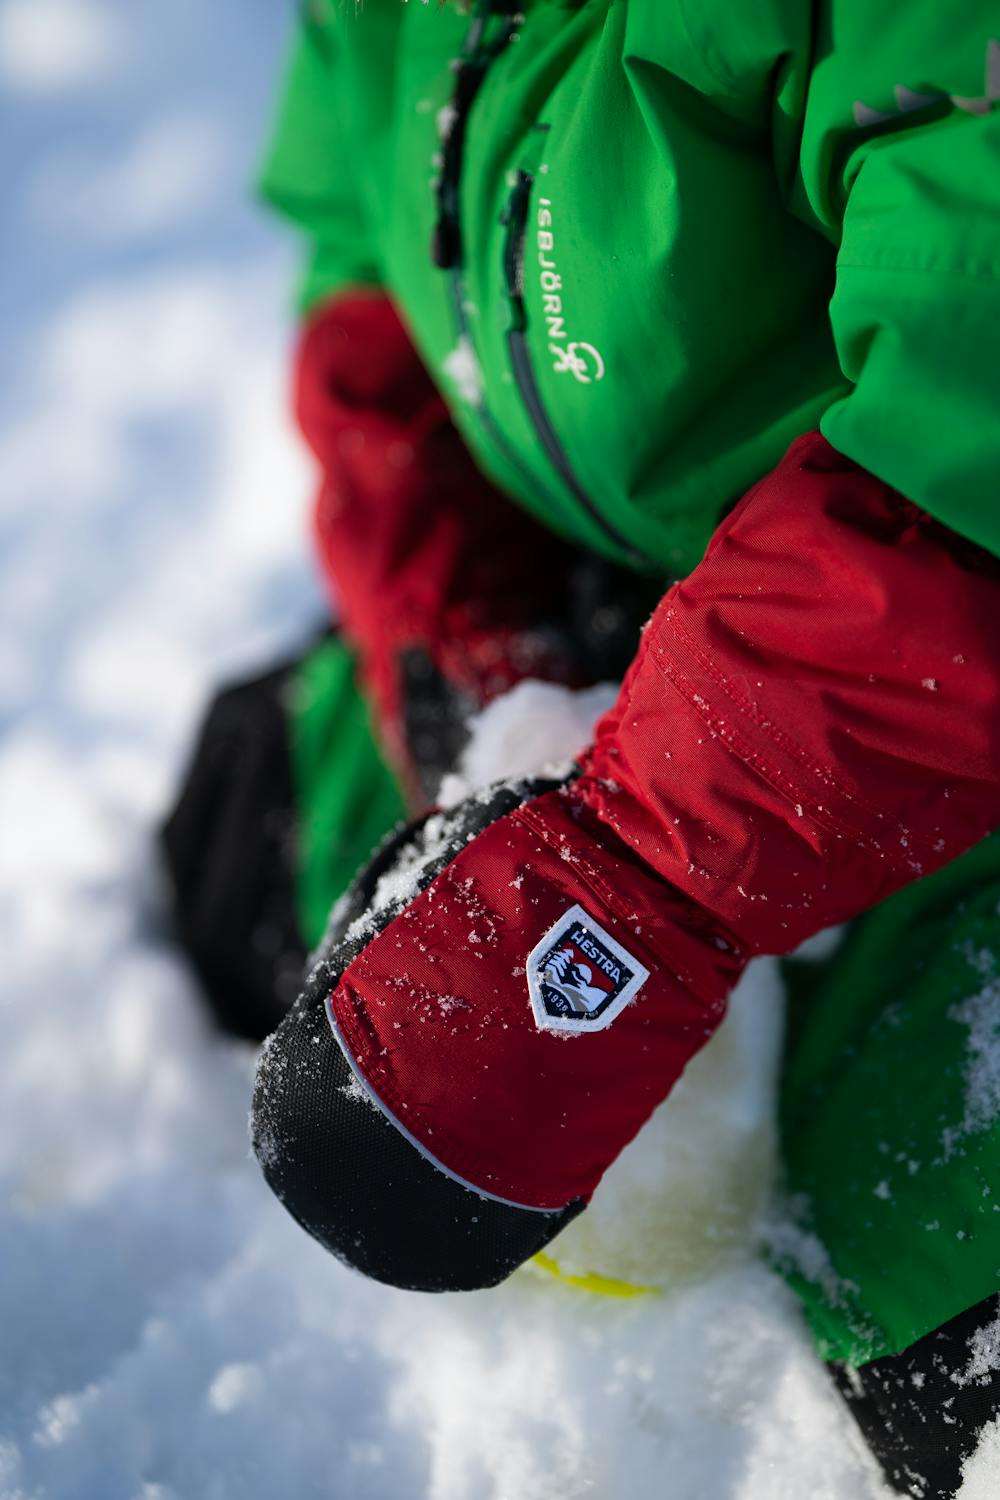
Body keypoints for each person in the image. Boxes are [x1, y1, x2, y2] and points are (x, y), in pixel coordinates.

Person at [163, 3, 1000, 1494]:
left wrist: (621, 893)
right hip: (672, 626)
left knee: (924, 1254)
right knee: (252, 837)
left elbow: (962, 459)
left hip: (925, 671)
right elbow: (364, 253)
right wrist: (461, 634)